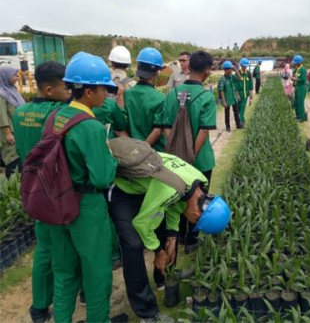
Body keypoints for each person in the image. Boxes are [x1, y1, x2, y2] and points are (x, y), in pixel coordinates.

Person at [107, 137, 230, 323]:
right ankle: (147, 313)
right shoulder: (170, 191)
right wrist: (157, 251)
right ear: (197, 215)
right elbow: (142, 223)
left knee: (164, 231)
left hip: (148, 187)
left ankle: (165, 278)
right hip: (122, 190)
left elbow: (176, 203)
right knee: (133, 244)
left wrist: (172, 238)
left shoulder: (199, 182)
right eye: (195, 223)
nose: (192, 223)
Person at [49, 53, 124, 322]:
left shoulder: (57, 116)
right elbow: (103, 178)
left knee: (65, 273)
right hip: (86, 208)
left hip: (56, 203)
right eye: (104, 89)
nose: (106, 94)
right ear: (89, 90)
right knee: (96, 274)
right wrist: (110, 157)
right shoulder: (90, 126)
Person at [12, 61, 71, 323]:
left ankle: (38, 307)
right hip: (56, 192)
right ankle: (69, 301)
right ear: (49, 89)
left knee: (43, 248)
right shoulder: (59, 113)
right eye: (66, 87)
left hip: (32, 191)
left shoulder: (20, 112)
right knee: (64, 254)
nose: (70, 92)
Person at [164, 51, 217, 256]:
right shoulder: (205, 96)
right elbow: (203, 131)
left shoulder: (172, 94)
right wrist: (190, 157)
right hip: (200, 160)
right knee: (199, 200)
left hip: (175, 160)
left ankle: (175, 237)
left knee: (178, 199)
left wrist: (177, 154)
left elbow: (166, 126)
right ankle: (192, 240)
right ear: (207, 70)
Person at [124, 47, 167, 151]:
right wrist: (141, 150)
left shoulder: (126, 94)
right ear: (157, 73)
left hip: (130, 150)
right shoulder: (160, 98)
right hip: (154, 152)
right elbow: (157, 130)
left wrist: (134, 151)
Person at [0, 66, 24, 177]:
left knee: (20, 158)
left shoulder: (12, 90)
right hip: (10, 133)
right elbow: (2, 115)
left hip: (19, 130)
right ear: (5, 76)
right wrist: (8, 134)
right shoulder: (2, 93)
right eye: (14, 75)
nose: (16, 77)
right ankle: (12, 185)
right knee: (12, 158)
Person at [218, 60, 242, 132]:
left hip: (233, 98)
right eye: (230, 69)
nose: (232, 70)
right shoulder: (222, 79)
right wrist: (224, 102)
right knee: (227, 113)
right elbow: (221, 91)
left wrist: (236, 70)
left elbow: (240, 78)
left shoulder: (232, 77)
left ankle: (238, 125)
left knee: (236, 112)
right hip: (227, 99)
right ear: (226, 70)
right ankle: (228, 127)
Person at [235, 58, 253, 125]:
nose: (244, 67)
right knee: (239, 108)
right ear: (241, 65)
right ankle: (240, 119)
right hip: (239, 94)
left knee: (243, 107)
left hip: (246, 94)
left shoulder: (248, 73)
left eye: (245, 66)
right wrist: (237, 94)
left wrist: (251, 94)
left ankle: (241, 121)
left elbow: (250, 84)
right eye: (243, 66)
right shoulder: (238, 73)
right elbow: (235, 85)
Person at [291, 55, 307, 122]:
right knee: (296, 102)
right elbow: (294, 76)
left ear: (299, 62)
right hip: (297, 87)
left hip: (302, 87)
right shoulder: (296, 70)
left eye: (295, 63)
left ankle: (302, 117)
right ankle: (298, 116)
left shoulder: (303, 70)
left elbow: (303, 79)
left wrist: (295, 79)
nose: (294, 64)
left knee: (300, 102)